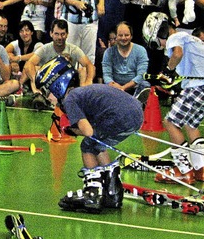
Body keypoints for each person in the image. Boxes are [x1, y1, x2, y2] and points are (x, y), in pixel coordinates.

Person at [35, 56, 142, 213]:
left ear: (57, 86)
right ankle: (112, 192)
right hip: (135, 112)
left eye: (46, 91)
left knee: (87, 145)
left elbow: (87, 131)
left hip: (120, 116)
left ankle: (93, 193)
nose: (47, 97)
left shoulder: (70, 99)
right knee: (98, 144)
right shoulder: (79, 93)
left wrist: (71, 130)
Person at [150, 21, 204, 184]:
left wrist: (166, 71)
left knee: (170, 122)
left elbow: (177, 54)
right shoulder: (189, 39)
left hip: (201, 85)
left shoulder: (176, 37)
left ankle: (183, 170)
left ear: (161, 34)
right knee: (191, 125)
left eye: (158, 42)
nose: (162, 47)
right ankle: (201, 169)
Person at [25, 19, 95, 109]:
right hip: (48, 85)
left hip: (68, 84)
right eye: (56, 34)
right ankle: (39, 95)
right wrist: (37, 81)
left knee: (83, 70)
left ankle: (82, 98)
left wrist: (88, 81)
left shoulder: (73, 49)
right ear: (51, 34)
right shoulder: (45, 49)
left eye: (62, 34)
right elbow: (28, 64)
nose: (59, 37)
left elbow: (89, 65)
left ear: (67, 35)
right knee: (36, 68)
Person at [101, 22, 150, 96]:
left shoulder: (140, 50)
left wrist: (124, 87)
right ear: (116, 37)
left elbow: (141, 75)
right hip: (114, 88)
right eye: (120, 35)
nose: (123, 38)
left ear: (131, 36)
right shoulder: (108, 52)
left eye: (126, 35)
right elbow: (107, 76)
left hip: (134, 88)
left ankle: (138, 104)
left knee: (145, 84)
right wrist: (116, 86)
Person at [5, 20, 43, 90]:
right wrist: (12, 61)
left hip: (33, 75)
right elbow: (4, 51)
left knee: (28, 64)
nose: (24, 33)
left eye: (27, 30)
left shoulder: (38, 44)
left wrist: (18, 58)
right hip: (17, 73)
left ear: (31, 32)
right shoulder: (17, 43)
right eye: (21, 31)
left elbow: (36, 54)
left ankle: (19, 87)